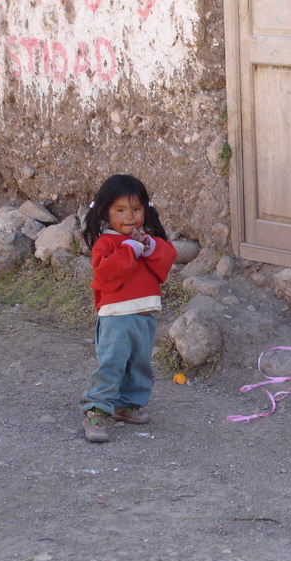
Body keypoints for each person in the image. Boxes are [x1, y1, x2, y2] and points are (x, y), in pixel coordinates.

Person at [79, 174, 177, 443]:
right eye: (120, 210)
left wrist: (149, 246)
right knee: (112, 365)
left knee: (139, 365)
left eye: (136, 209)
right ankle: (96, 411)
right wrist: (129, 250)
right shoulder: (107, 244)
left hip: (144, 318)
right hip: (116, 320)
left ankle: (125, 405)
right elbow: (106, 275)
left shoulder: (147, 241)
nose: (130, 216)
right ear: (105, 212)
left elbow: (165, 263)